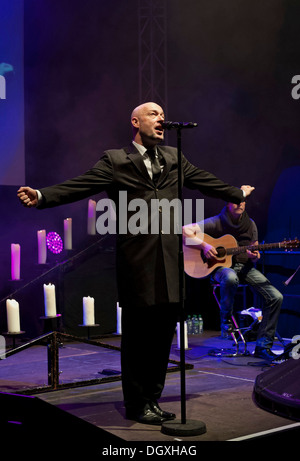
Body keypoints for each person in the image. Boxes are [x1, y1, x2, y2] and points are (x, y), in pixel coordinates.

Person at [17, 102, 254, 425]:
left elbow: (201, 179)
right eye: (153, 114)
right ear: (135, 122)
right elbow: (82, 184)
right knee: (138, 337)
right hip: (138, 261)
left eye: (162, 114)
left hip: (171, 261)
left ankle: (152, 400)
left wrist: (235, 192)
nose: (161, 118)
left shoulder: (173, 158)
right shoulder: (116, 160)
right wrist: (43, 196)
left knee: (161, 336)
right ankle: (136, 403)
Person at [183, 201, 283, 361]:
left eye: (243, 202)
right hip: (220, 269)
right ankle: (226, 318)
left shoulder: (250, 225)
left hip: (244, 268)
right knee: (230, 276)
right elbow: (185, 230)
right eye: (236, 201)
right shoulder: (217, 221)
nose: (240, 204)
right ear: (228, 204)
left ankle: (263, 346)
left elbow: (255, 252)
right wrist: (205, 246)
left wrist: (255, 256)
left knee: (276, 297)